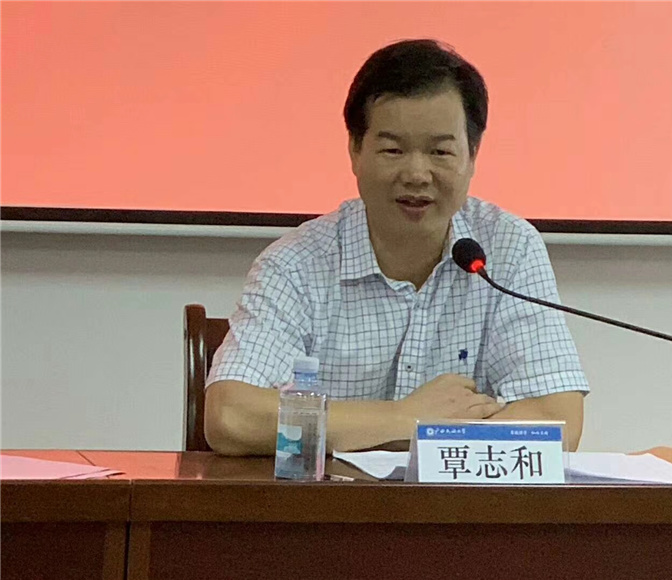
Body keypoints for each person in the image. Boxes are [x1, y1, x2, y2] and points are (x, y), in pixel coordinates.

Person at [205, 39, 588, 456]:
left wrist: (402, 436)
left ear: (472, 155)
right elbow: (231, 417)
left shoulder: (508, 248)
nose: (417, 173)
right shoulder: (296, 264)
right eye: (393, 150)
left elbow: (558, 422)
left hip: (457, 500)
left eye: (440, 151)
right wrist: (406, 418)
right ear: (355, 151)